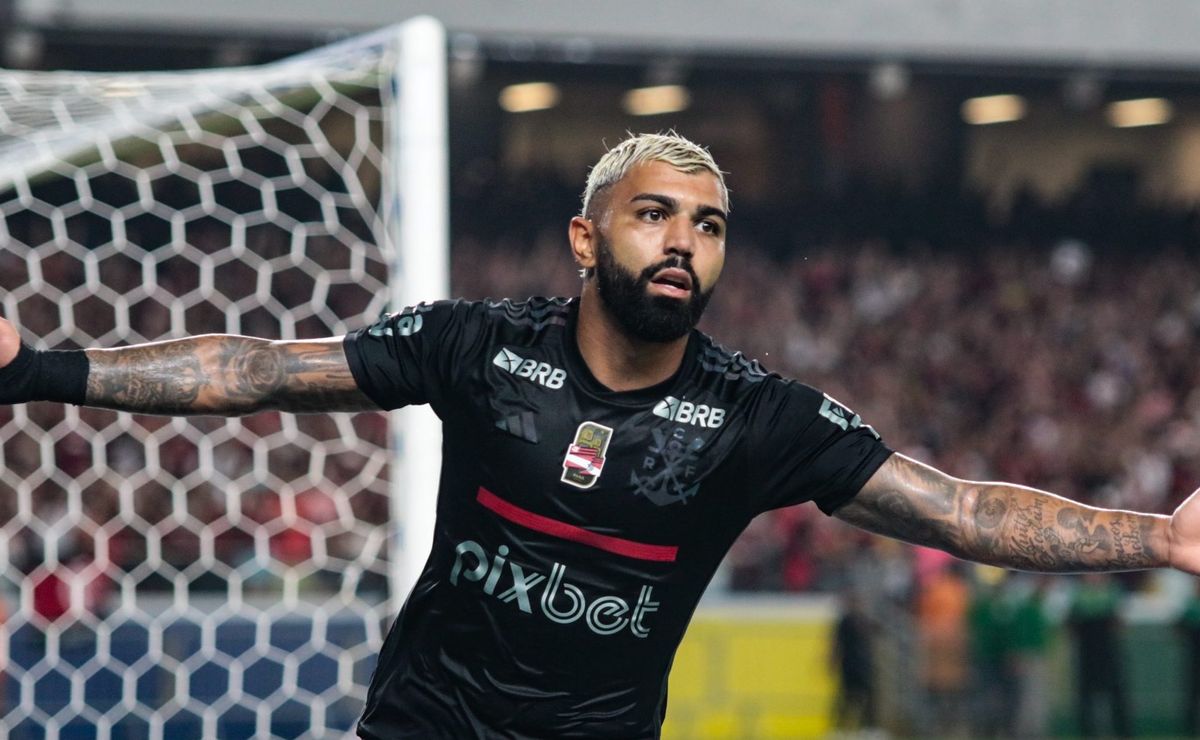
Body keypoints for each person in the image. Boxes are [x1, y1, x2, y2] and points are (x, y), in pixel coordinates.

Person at [2, 131, 1199, 739]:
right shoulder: (478, 345)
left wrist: (1161, 536)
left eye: (709, 225)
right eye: (654, 214)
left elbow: (963, 508)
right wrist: (32, 371)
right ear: (587, 237)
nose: (684, 241)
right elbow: (256, 369)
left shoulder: (758, 415)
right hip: (424, 724)